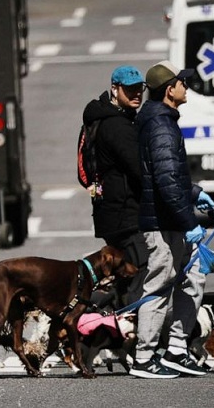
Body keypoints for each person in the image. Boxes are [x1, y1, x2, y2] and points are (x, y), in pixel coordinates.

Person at [129, 60, 214, 379]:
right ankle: (144, 357)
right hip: (163, 222)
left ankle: (177, 349)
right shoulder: (161, 125)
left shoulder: (162, 120)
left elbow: (169, 175)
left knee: (193, 277)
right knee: (160, 283)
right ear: (169, 90)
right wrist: (189, 222)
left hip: (171, 217)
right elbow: (165, 180)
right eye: (182, 82)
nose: (186, 86)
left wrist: (194, 193)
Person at [82, 65, 149, 307]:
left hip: (109, 213)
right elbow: (141, 171)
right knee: (140, 273)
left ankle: (112, 324)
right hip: (125, 216)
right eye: (129, 90)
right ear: (114, 88)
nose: (136, 95)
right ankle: (129, 334)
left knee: (123, 278)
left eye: (139, 89)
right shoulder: (117, 126)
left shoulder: (101, 118)